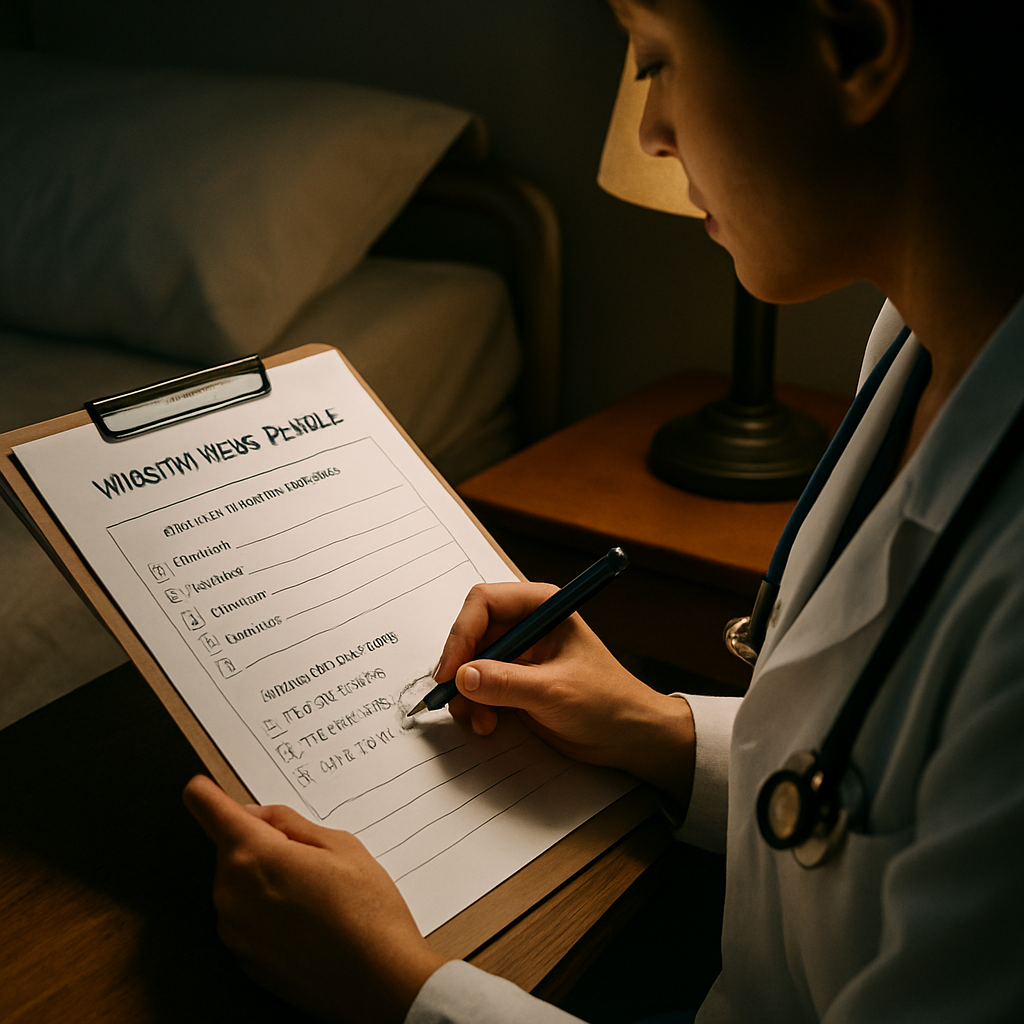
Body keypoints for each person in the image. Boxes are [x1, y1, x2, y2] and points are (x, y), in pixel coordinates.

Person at [182, 0, 1024, 1021]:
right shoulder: (916, 332)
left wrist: (398, 990)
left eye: (660, 60)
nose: (648, 134)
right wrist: (656, 730)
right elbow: (872, 782)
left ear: (852, 45)